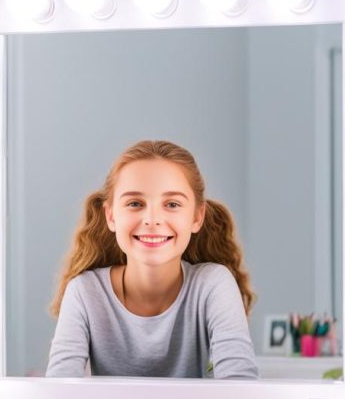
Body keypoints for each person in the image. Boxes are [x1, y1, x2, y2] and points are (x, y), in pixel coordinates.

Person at [45, 140, 259, 379]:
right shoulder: (85, 292)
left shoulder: (213, 284)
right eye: (135, 203)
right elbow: (59, 391)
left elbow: (240, 386)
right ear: (111, 216)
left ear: (197, 217)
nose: (152, 219)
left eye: (172, 204)